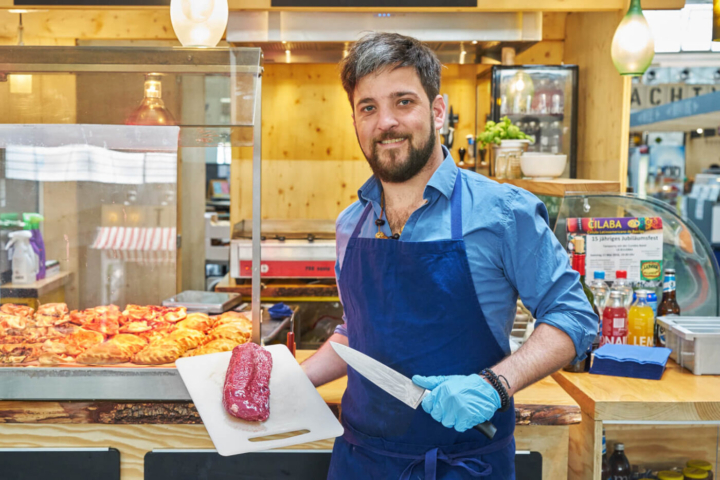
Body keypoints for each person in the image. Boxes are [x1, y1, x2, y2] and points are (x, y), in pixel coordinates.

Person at [301, 32, 598, 480]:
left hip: (465, 465)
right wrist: (291, 381)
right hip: (360, 463)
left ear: (436, 110)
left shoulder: (502, 211)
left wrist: (495, 384)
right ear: (356, 120)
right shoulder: (351, 223)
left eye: (403, 102)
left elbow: (574, 316)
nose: (386, 122)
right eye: (369, 107)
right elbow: (356, 334)